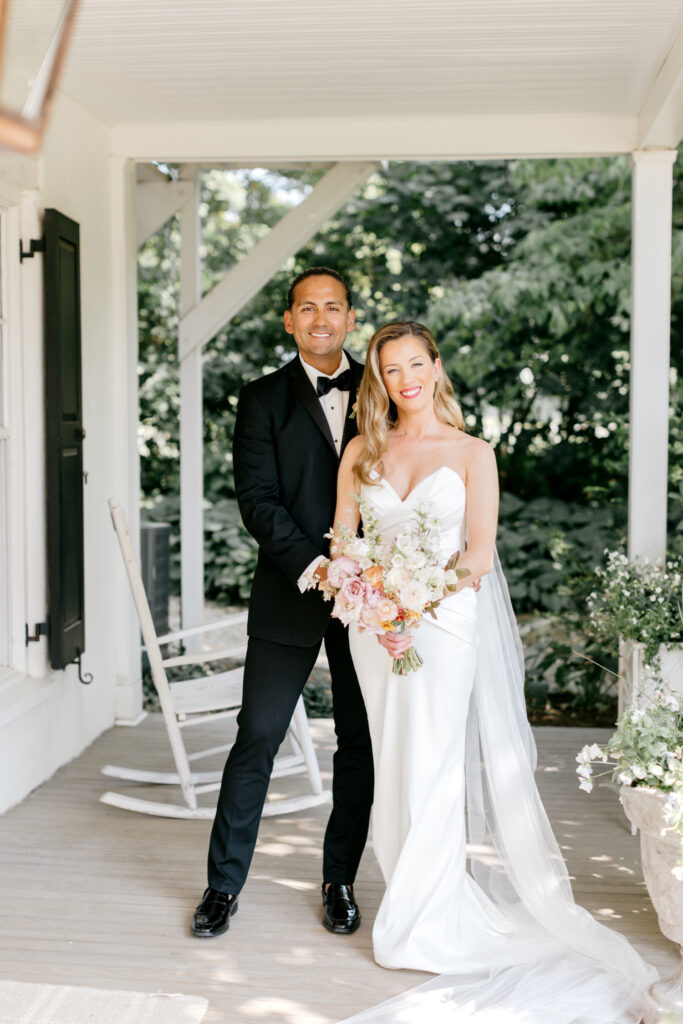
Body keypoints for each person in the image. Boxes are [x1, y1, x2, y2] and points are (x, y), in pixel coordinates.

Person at [329, 321, 657, 1023]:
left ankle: (427, 922)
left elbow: (478, 556)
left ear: (436, 367)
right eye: (391, 370)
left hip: (443, 627)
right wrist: (368, 595)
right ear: (378, 380)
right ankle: (410, 904)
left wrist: (416, 597)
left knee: (435, 765)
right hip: (373, 633)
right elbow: (344, 541)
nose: (405, 379)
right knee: (391, 764)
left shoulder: (474, 453)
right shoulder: (361, 450)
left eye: (416, 364)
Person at [191, 268, 374, 939]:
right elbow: (257, 502)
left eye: (332, 307)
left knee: (358, 743)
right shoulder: (260, 398)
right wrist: (316, 566)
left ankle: (339, 881)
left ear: (349, 318)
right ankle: (221, 886)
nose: (320, 318)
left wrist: (365, 571)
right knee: (257, 736)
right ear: (289, 320)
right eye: (307, 308)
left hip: (369, 600)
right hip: (289, 588)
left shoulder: (381, 390)